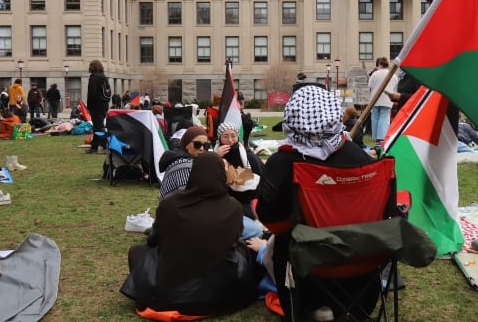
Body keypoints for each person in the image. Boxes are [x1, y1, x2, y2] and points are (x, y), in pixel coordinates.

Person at [256, 85, 377, 321]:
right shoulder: (360, 158)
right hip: (359, 254)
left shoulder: (281, 163)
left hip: (306, 260)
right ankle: (343, 303)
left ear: (291, 118)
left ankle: (310, 305)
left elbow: (270, 219)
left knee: (279, 242)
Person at [124, 152, 258, 316]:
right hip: (221, 295)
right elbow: (234, 240)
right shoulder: (233, 207)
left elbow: (155, 239)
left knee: (137, 252)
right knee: (243, 248)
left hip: (168, 292)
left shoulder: (170, 204)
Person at [158, 126, 209, 201]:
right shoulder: (185, 165)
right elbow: (188, 198)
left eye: (205, 145)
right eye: (197, 144)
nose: (201, 149)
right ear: (186, 145)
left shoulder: (192, 161)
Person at [366, 57, 398, 144]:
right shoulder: (393, 75)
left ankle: (376, 138)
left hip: (375, 99)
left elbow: (369, 85)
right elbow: (395, 87)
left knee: (375, 117)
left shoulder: (375, 74)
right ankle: (381, 138)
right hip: (387, 99)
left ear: (379, 64)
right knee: (384, 118)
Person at [86, 60, 111, 154]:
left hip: (96, 105)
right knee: (97, 126)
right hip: (104, 105)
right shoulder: (103, 77)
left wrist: (89, 106)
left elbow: (91, 94)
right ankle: (94, 146)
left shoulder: (93, 78)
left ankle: (105, 146)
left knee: (99, 126)